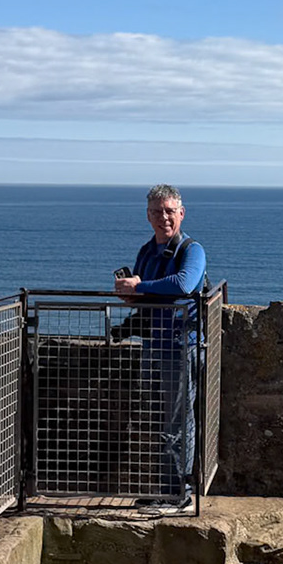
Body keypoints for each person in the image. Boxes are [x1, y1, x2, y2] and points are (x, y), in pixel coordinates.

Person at [114, 184, 206, 505]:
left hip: (181, 346)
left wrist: (139, 285)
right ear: (148, 216)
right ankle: (164, 490)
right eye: (157, 211)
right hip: (153, 345)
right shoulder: (146, 252)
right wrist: (131, 294)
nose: (163, 217)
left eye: (169, 211)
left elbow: (184, 283)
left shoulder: (192, 250)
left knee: (179, 420)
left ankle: (180, 492)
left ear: (181, 213)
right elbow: (146, 296)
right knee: (158, 418)